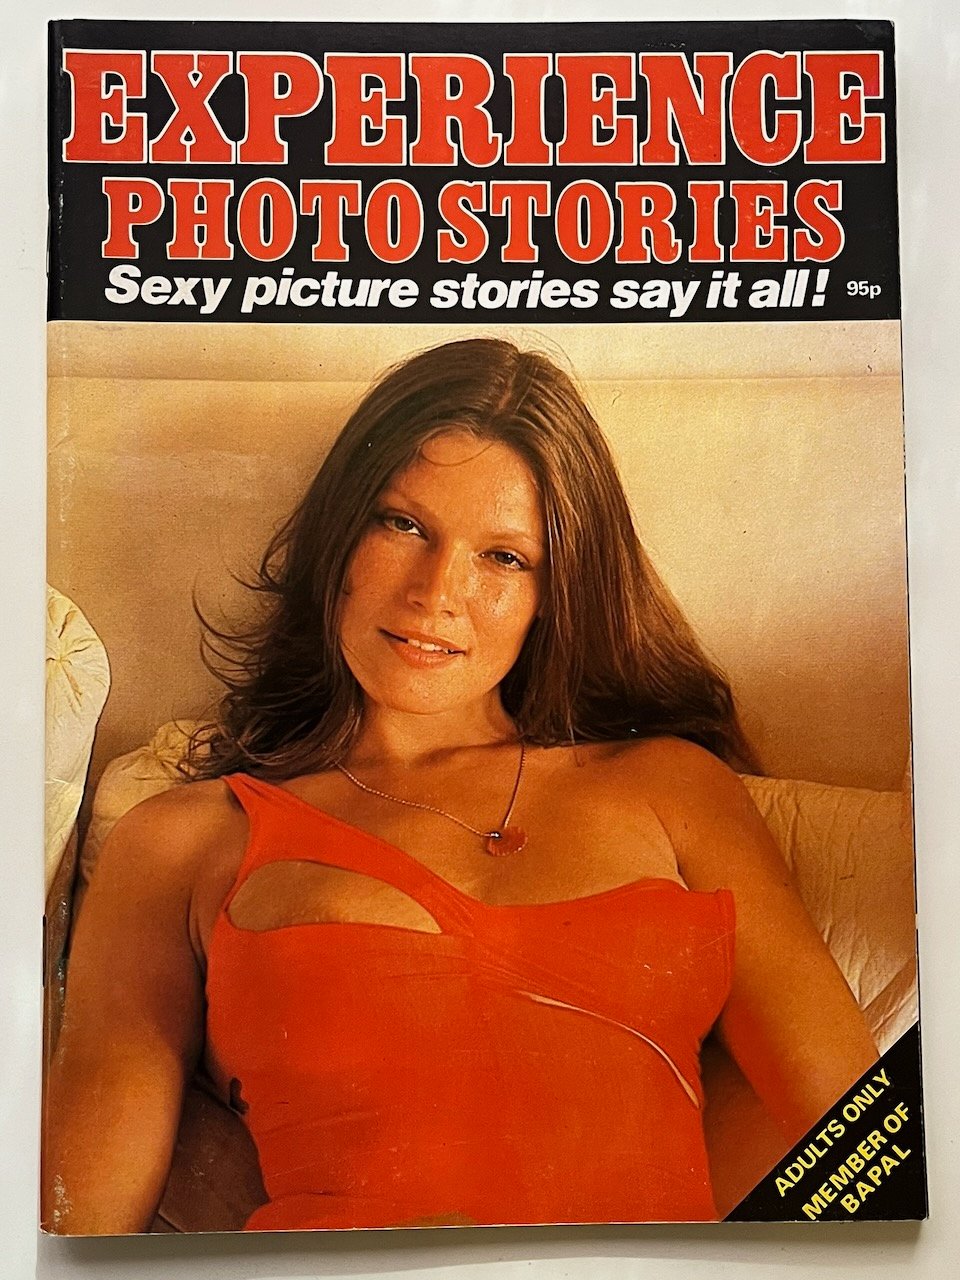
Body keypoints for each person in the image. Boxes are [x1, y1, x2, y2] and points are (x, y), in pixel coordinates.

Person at [42, 337, 878, 1234]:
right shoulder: (183, 840)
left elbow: (868, 1144)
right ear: (338, 535)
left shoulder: (672, 788)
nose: (437, 592)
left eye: (505, 558)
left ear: (557, 591)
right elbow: (81, 1235)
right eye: (402, 525)